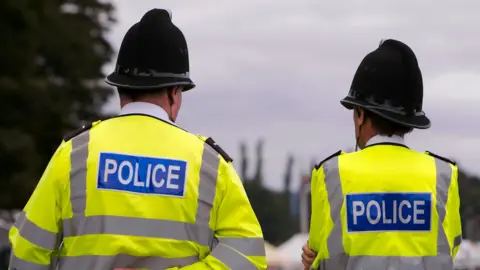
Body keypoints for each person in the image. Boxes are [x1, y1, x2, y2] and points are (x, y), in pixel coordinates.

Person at [9, 9, 267, 270]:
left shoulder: (75, 152)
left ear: (121, 87)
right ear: (175, 91)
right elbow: (248, 258)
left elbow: (27, 250)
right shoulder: (210, 164)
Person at [302, 39, 462, 270]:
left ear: (361, 113)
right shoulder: (444, 174)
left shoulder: (330, 174)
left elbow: (319, 256)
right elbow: (451, 247)